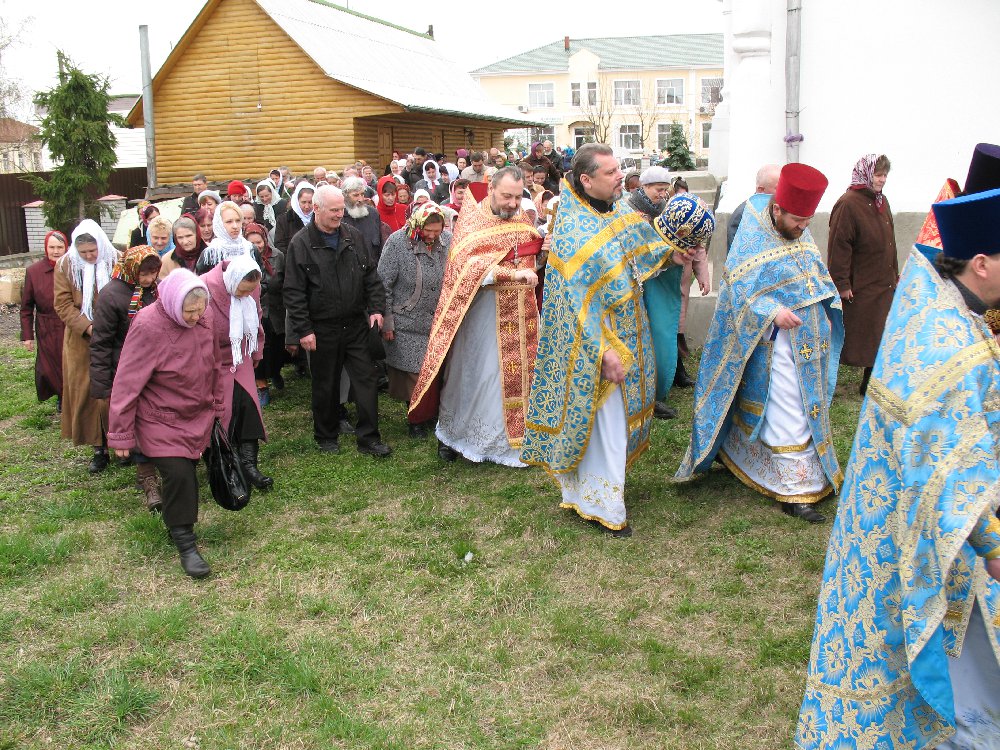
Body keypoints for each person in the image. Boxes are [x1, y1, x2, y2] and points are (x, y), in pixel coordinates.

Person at [795, 187, 1000, 750]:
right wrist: (993, 545)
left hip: (885, 512)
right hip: (919, 526)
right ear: (981, 265)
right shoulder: (952, 349)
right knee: (905, 644)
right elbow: (950, 469)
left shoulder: (931, 298)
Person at [520, 144, 707, 537]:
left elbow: (641, 245)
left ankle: (588, 493)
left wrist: (673, 254)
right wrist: (602, 351)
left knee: (614, 422)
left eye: (619, 169)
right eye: (611, 172)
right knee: (604, 421)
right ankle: (605, 505)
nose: (620, 176)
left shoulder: (616, 208)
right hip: (595, 341)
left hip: (629, 330)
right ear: (586, 180)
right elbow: (574, 303)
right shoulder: (573, 230)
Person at [675, 163, 843, 524]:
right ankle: (795, 489)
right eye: (797, 220)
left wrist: (826, 307)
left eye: (807, 221)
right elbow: (739, 287)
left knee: (808, 406)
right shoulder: (752, 229)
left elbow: (813, 272)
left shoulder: (798, 231)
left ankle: (800, 468)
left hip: (810, 336)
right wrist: (772, 312)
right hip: (774, 341)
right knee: (788, 408)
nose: (802, 227)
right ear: (778, 209)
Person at [408, 166, 542, 466]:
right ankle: (456, 437)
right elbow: (465, 267)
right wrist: (511, 274)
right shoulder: (472, 221)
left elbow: (529, 253)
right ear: (491, 188)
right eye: (506, 196)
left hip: (520, 315)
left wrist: (542, 254)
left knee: (516, 378)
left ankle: (513, 442)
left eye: (517, 197)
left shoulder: (521, 217)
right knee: (476, 376)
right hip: (481, 315)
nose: (513, 204)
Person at [107, 269, 222, 578]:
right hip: (159, 417)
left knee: (188, 471)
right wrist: (120, 433)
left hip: (196, 413)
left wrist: (218, 406)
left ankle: (176, 521)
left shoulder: (205, 317)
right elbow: (127, 381)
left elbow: (215, 365)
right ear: (172, 302)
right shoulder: (148, 325)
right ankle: (185, 542)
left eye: (200, 310)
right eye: (189, 311)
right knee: (180, 474)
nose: (196, 316)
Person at [283, 185, 390, 457]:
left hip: (355, 324)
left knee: (366, 379)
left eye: (341, 209)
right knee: (325, 384)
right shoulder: (300, 243)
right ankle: (326, 435)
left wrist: (376, 309)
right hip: (322, 328)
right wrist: (304, 329)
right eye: (333, 210)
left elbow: (371, 277)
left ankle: (369, 438)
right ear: (316, 209)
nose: (339, 214)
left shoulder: (353, 236)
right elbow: (293, 291)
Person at [89, 245, 163, 510]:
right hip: (127, 370)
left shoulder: (159, 290)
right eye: (144, 273)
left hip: (159, 369)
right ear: (132, 269)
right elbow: (101, 343)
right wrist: (102, 385)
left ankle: (163, 467)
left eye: (153, 273)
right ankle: (148, 479)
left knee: (158, 421)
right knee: (140, 424)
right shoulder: (111, 296)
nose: (149, 278)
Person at [377, 202, 450, 437]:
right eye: (428, 230)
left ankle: (431, 414)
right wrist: (388, 320)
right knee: (414, 375)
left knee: (435, 371)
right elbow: (383, 284)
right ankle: (416, 419)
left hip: (437, 320)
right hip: (406, 321)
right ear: (418, 224)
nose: (432, 236)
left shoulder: (447, 241)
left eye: (437, 231)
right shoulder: (397, 242)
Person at [826, 154, 898, 396]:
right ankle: (828, 382)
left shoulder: (882, 201)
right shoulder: (848, 204)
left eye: (885, 175)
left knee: (880, 333)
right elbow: (839, 246)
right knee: (849, 336)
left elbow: (890, 242)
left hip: (882, 283)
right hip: (861, 284)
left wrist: (894, 274)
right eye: (878, 175)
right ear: (866, 174)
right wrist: (842, 284)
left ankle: (870, 384)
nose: (882, 180)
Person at [203, 254, 273, 489]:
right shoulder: (204, 288)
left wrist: (257, 351)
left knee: (248, 407)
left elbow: (257, 319)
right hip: (214, 361)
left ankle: (250, 466)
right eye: (242, 291)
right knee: (221, 414)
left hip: (242, 356)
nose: (246, 295)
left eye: (250, 291)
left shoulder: (253, 289)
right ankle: (225, 468)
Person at [54, 220, 119, 473]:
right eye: (84, 253)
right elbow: (62, 304)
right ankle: (98, 448)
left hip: (114, 336)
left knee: (115, 389)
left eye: (93, 251)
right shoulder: (66, 266)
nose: (90, 256)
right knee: (88, 392)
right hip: (81, 340)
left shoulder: (116, 260)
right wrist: (88, 327)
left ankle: (121, 441)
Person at [628, 165, 691, 420]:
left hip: (659, 282)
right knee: (640, 339)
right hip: (634, 285)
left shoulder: (665, 210)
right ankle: (644, 396)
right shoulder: (629, 210)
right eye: (658, 189)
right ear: (643, 187)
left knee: (659, 335)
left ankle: (657, 390)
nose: (663, 194)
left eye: (666, 189)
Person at [20, 230, 68, 409]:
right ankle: (61, 396)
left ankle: (70, 399)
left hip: (69, 324)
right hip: (47, 326)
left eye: (60, 247)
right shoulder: (34, 272)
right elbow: (26, 307)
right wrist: (27, 336)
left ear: (66, 248)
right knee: (50, 367)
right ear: (46, 248)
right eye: (52, 247)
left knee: (70, 363)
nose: (56, 251)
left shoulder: (72, 267)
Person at [244, 222, 285, 396]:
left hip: (276, 308)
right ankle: (261, 384)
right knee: (261, 347)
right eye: (251, 243)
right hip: (255, 310)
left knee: (278, 346)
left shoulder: (278, 256)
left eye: (259, 242)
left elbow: (285, 280)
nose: (256, 246)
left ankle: (275, 372)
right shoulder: (243, 258)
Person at [726, 164, 781, 253]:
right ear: (761, 190)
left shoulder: (782, 210)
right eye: (779, 188)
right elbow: (738, 253)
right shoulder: (742, 214)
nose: (784, 192)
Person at [197, 201, 257, 274]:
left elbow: (261, 277)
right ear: (219, 223)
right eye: (229, 222)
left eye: (238, 221)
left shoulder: (250, 249)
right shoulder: (210, 253)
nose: (235, 226)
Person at [341, 176, 384, 263]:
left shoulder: (373, 214)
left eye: (362, 194)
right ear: (345, 196)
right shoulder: (339, 217)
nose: (360, 199)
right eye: (356, 195)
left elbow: (380, 247)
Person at [274, 181, 314, 253]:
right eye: (303, 202)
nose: (307, 206)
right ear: (297, 201)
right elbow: (280, 245)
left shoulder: (320, 218)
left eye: (310, 202)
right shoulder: (284, 220)